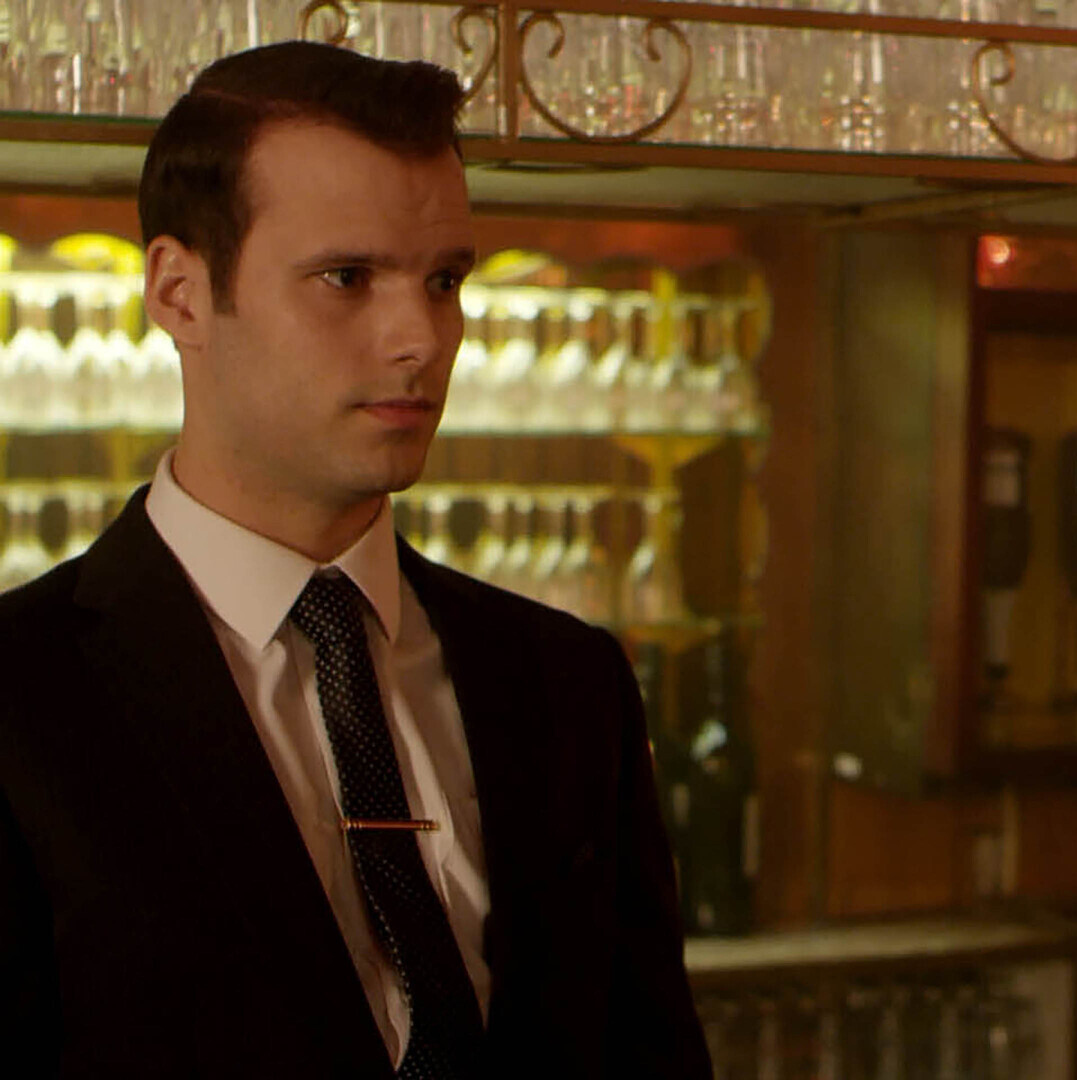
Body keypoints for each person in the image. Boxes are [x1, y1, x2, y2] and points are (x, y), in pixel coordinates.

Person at [0, 42, 713, 1078]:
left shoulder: (567, 681)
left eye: (445, 280)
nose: (420, 338)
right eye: (347, 278)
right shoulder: (23, 696)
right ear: (180, 293)